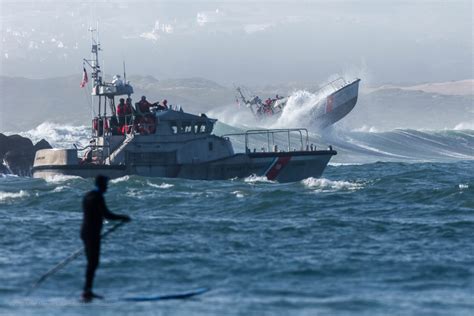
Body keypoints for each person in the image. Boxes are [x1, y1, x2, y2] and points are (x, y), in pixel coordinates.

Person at [81, 175, 131, 302]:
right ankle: (87, 291)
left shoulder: (88, 196)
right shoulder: (97, 197)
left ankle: (87, 290)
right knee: (93, 262)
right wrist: (123, 217)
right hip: (92, 234)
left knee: (91, 262)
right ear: (101, 185)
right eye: (106, 184)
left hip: (86, 232)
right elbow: (107, 215)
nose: (107, 187)